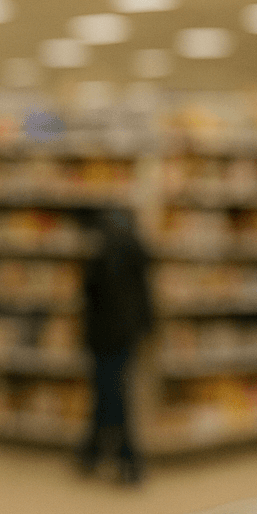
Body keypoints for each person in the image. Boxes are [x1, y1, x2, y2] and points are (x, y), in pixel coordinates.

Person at [77, 205, 153, 484]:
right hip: (127, 334)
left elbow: (89, 293)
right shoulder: (138, 250)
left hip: (103, 335)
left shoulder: (102, 253)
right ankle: (99, 453)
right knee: (116, 392)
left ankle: (118, 456)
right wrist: (147, 328)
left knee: (108, 394)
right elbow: (145, 295)